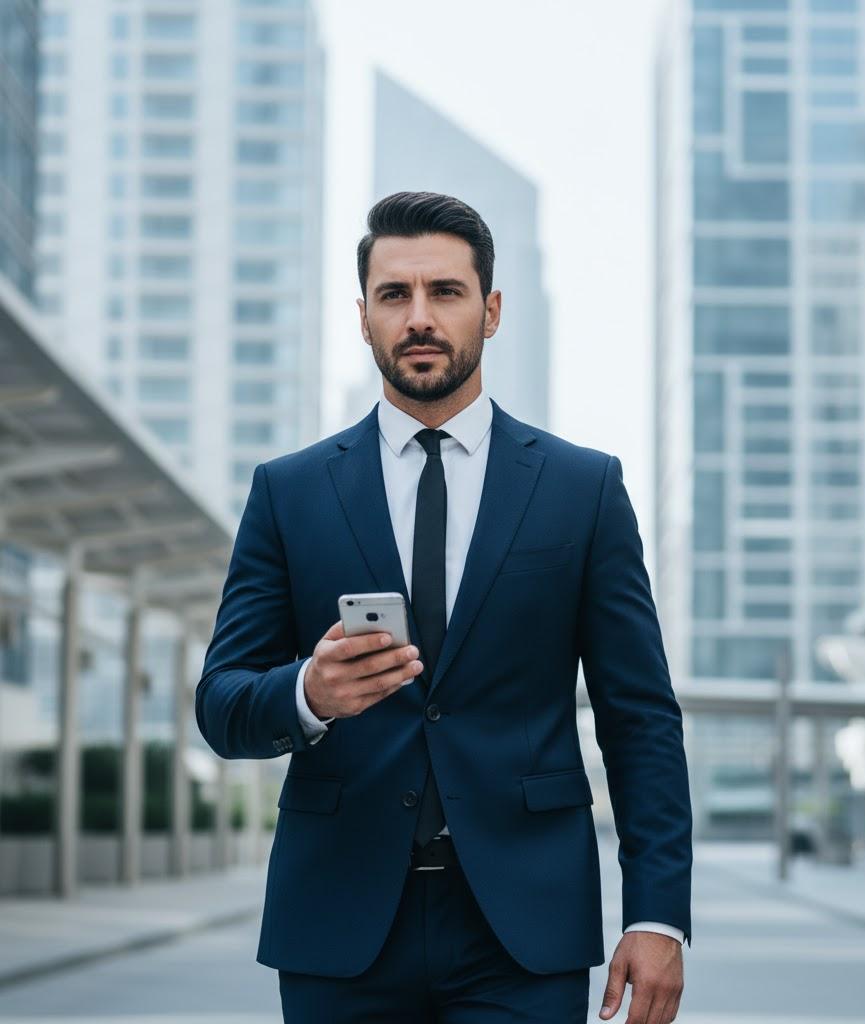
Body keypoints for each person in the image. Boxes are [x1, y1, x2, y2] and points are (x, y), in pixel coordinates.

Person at [195, 191, 693, 1023]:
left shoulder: (583, 490)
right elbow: (220, 705)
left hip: (523, 930)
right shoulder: (289, 492)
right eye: (395, 295)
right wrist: (308, 696)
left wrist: (656, 913)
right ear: (363, 318)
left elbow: (639, 717)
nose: (419, 317)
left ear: (490, 310)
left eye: (446, 293)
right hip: (340, 922)